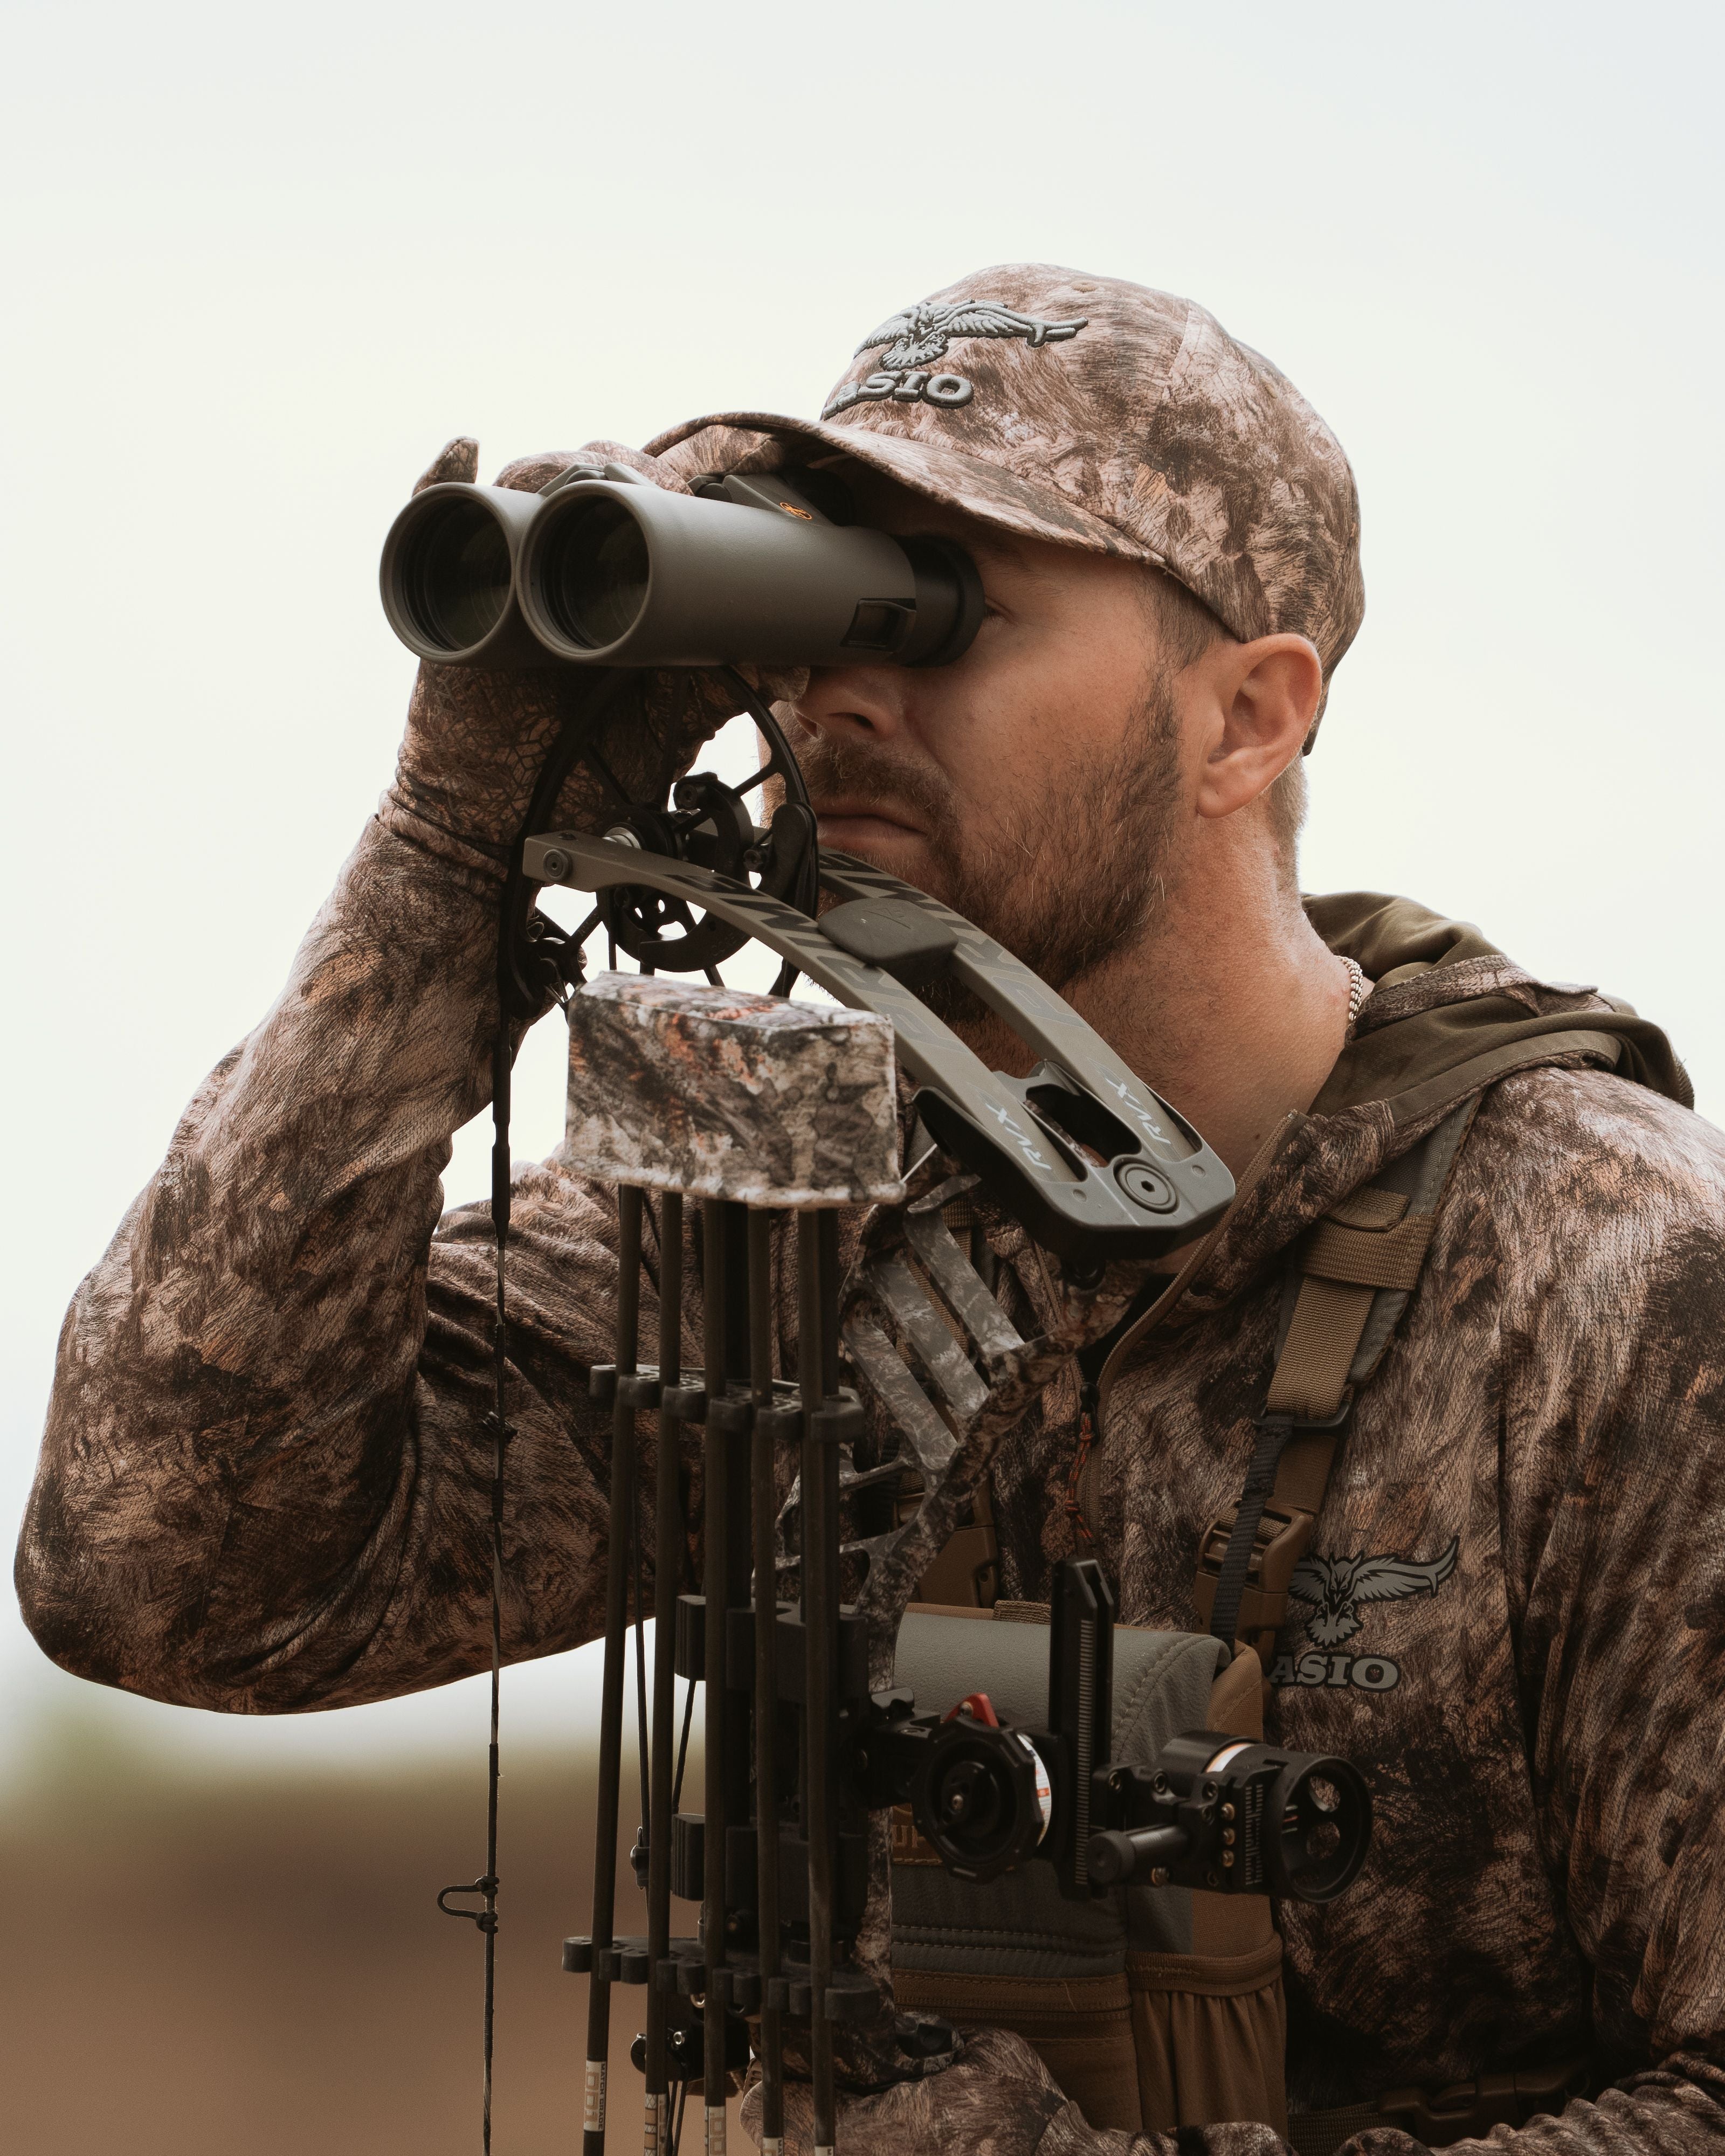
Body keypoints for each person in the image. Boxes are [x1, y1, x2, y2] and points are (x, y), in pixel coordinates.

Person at [17, 265, 1725, 2156]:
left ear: (1251, 718)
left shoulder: (1618, 1281)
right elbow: (173, 1578)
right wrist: (446, 852)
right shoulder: (801, 1214)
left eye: (942, 613)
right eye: (820, 604)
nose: (840, 691)